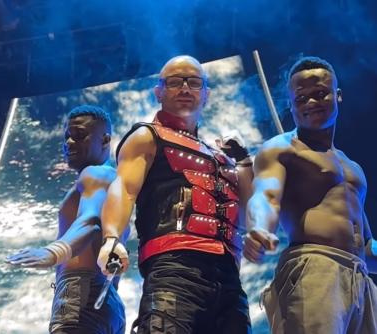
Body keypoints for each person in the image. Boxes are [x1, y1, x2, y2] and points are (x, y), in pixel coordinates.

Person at [97, 55, 254, 334]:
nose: (184, 89)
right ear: (159, 92)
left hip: (229, 279)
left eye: (194, 83)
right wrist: (111, 237)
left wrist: (244, 164)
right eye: (174, 82)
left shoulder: (221, 156)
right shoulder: (147, 136)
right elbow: (124, 188)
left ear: (206, 94)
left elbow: (247, 214)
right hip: (174, 269)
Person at [243, 56, 377, 333]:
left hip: (360, 278)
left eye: (319, 94)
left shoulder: (353, 167)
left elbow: (365, 244)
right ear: (290, 105)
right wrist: (259, 228)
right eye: (301, 98)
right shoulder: (281, 148)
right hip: (315, 267)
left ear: (337, 96)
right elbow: (266, 195)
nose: (310, 103)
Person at [5, 105, 128, 334]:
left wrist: (54, 252)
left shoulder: (97, 174)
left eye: (80, 135)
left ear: (105, 140)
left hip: (80, 297)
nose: (69, 142)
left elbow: (92, 221)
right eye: (67, 136)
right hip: (107, 302)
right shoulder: (116, 185)